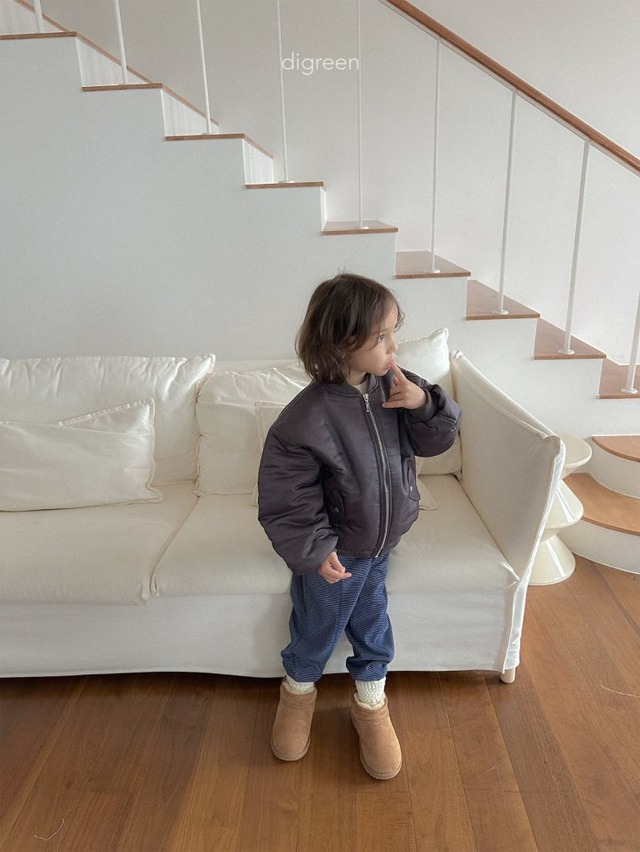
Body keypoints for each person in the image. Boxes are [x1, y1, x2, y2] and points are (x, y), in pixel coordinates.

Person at [257, 272, 461, 780]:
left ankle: (370, 703)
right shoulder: (304, 418)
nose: (395, 347)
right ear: (343, 343)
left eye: (394, 332)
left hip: (383, 542)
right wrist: (314, 549)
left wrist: (424, 405)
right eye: (382, 337)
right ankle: (297, 694)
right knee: (318, 624)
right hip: (336, 551)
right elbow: (288, 496)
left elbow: (437, 441)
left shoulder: (399, 386)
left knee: (373, 623)